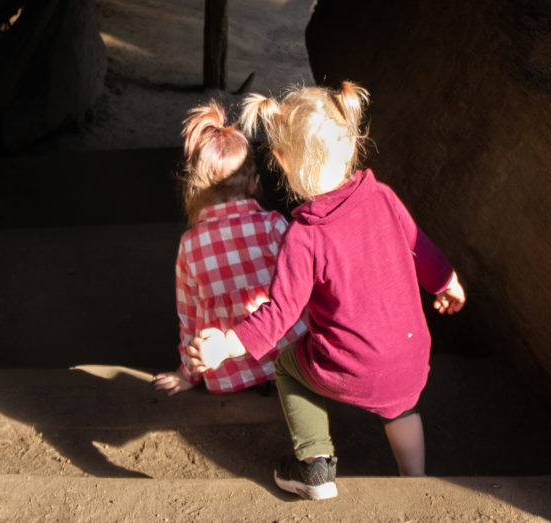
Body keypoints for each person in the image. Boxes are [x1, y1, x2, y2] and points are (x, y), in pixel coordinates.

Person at [186, 82, 465, 500]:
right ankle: (416, 480)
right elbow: (419, 247)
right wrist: (447, 282)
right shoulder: (384, 197)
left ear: (280, 159)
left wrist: (226, 344)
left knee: (287, 367)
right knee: (401, 405)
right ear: (352, 141)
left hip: (351, 368)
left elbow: (280, 314)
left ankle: (316, 469)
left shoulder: (305, 236)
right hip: (410, 356)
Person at [155, 97, 303, 397]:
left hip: (228, 373)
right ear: (254, 182)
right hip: (292, 361)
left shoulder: (190, 244)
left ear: (195, 187)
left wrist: (187, 375)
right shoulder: (275, 225)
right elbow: (304, 289)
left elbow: (189, 317)